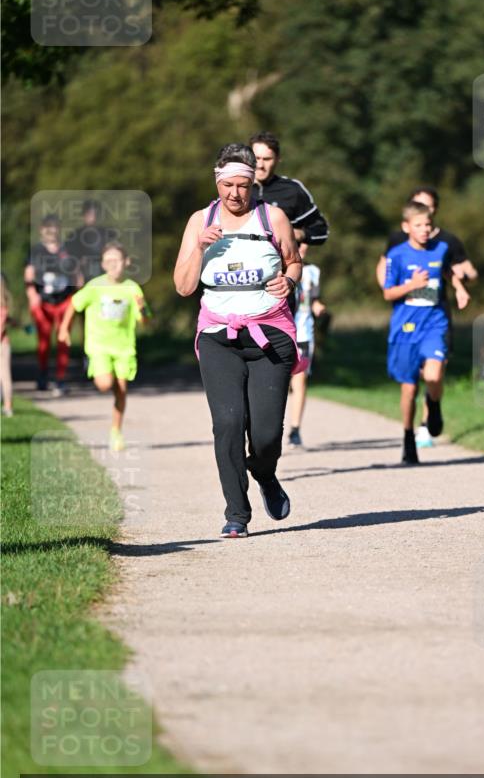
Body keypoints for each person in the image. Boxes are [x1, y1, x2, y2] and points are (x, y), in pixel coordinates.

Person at [174, 143, 303, 539]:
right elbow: (183, 286)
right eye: (227, 185)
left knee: (265, 437)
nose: (234, 194)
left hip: (271, 337)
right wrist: (199, 247)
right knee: (228, 423)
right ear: (217, 183)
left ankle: (264, 473)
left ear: (253, 184)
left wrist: (290, 280)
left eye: (242, 186)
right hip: (218, 337)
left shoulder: (272, 217)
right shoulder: (201, 220)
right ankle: (236, 513)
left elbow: (294, 259)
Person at [376, 186, 478, 447]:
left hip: (434, 322)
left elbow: (449, 270)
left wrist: (460, 288)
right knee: (409, 388)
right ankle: (409, 435)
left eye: (428, 223)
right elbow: (388, 292)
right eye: (419, 224)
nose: (425, 228)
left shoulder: (442, 247)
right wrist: (411, 285)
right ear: (407, 226)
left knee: (434, 375)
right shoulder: (397, 253)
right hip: (405, 325)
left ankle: (433, 404)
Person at [58, 243, 147, 451]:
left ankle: (116, 432)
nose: (113, 265)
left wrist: (143, 310)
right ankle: (108, 377)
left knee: (122, 392)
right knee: (105, 384)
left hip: (124, 347)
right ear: (103, 264)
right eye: (108, 261)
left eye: (116, 260)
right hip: (99, 346)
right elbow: (74, 304)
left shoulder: (133, 288)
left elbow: (144, 322)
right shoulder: (95, 286)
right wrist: (64, 329)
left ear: (126, 262)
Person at [24, 214, 82, 394]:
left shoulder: (67, 250)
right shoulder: (36, 251)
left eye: (54, 226)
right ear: (42, 230)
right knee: (44, 340)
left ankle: (61, 378)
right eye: (47, 227)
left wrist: (78, 296)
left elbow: (77, 276)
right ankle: (42, 374)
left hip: (64, 301)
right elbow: (29, 276)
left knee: (63, 339)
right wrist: (32, 295)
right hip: (44, 302)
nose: (51, 230)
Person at [250, 131, 329, 246]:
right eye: (256, 158)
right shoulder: (234, 188)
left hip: (282, 262)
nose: (260, 165)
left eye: (267, 159)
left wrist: (299, 234)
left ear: (278, 159)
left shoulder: (292, 190)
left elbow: (321, 231)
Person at [287, 241, 327, 447]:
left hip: (303, 332)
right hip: (280, 332)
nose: (301, 248)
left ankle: (295, 429)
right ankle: (270, 428)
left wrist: (318, 306)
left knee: (299, 380)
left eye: (303, 244)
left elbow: (313, 299)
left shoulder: (313, 271)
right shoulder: (277, 266)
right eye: (296, 243)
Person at [65, 200, 119, 283]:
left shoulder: (108, 234)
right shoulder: (75, 236)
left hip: (105, 274)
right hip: (84, 275)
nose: (93, 217)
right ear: (84, 215)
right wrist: (77, 275)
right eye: (90, 214)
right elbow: (72, 259)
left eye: (96, 214)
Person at [1, 274, 14, 417]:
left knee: (5, 376)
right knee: (5, 376)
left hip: (2, 345)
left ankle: (8, 405)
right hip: (4, 344)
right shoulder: (5, 304)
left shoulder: (2, 307)